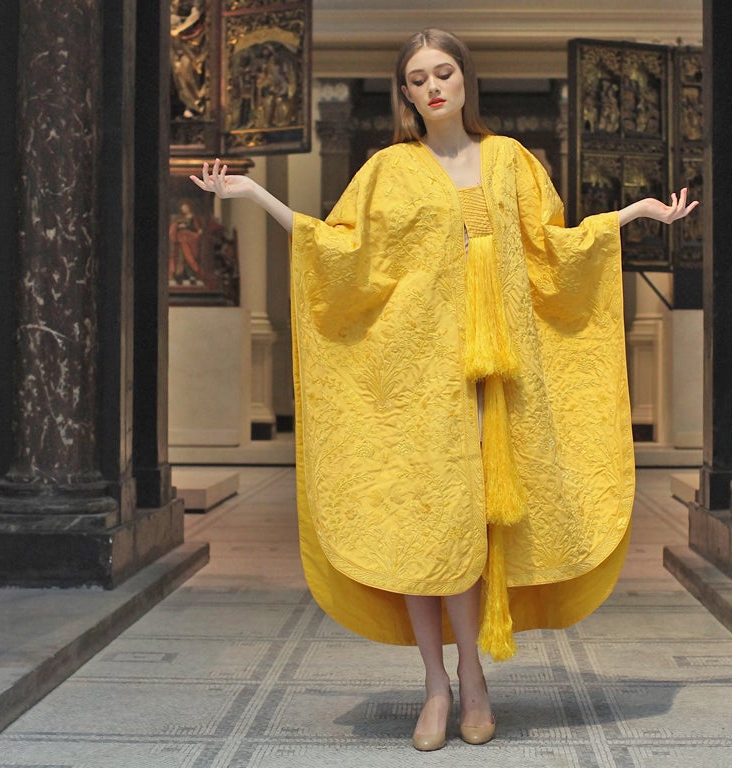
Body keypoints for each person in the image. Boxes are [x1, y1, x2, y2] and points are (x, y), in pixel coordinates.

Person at [191, 28, 697, 752]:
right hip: (418, 381)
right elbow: (340, 252)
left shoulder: (511, 161)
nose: (433, 87)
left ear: (466, 82)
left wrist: (633, 216)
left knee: (479, 533)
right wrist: (254, 192)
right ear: (405, 93)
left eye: (445, 73)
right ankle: (437, 683)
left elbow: (552, 250)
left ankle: (475, 679)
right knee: (427, 528)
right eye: (418, 77)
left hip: (499, 381)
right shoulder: (388, 170)